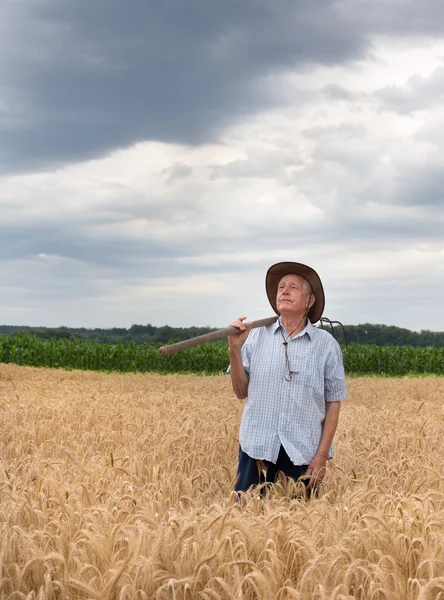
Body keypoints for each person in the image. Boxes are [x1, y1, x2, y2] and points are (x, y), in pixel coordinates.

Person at [228, 261, 347, 496]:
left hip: (302, 453)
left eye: (293, 287)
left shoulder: (326, 346)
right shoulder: (254, 337)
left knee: (298, 528)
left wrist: (321, 456)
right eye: (281, 287)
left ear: (309, 301)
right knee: (245, 520)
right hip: (256, 449)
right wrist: (234, 350)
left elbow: (333, 403)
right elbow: (241, 392)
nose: (284, 291)